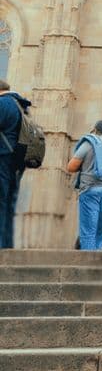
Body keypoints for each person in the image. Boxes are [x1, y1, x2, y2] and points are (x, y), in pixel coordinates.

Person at [66, 120, 102, 251]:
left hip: (89, 190)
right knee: (101, 232)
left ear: (96, 130)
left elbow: (71, 166)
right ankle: (97, 263)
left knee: (88, 232)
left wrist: (87, 165)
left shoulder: (90, 143)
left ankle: (87, 266)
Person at [0, 79, 30, 248]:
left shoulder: (3, 103)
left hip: (2, 157)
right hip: (17, 161)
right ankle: (6, 245)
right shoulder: (21, 105)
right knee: (8, 204)